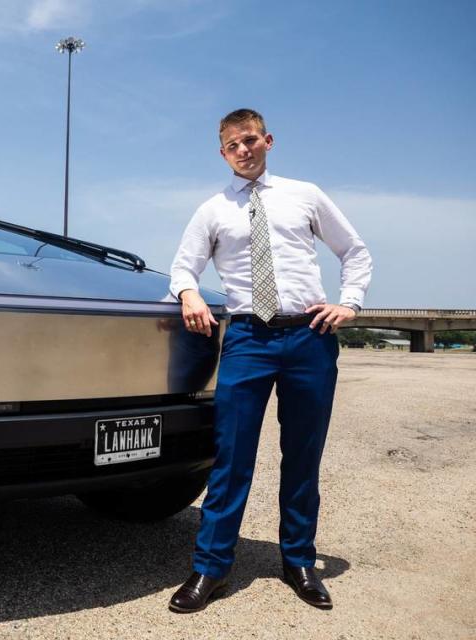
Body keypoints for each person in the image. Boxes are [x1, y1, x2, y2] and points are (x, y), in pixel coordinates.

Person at [166, 108, 372, 613]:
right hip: (247, 340)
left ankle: (299, 562)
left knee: (303, 455)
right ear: (222, 153)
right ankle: (210, 567)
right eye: (233, 145)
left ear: (268, 141)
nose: (243, 150)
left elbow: (355, 251)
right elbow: (183, 266)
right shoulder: (212, 209)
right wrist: (189, 293)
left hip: (309, 338)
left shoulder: (305, 194)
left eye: (251, 140)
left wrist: (350, 302)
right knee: (232, 457)